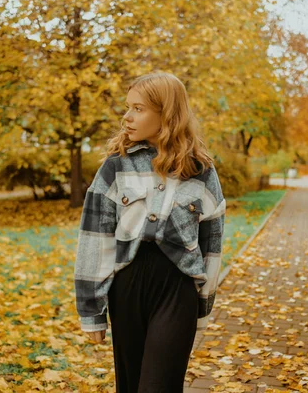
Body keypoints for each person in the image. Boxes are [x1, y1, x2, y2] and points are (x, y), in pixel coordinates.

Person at [74, 72, 226, 392]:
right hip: (126, 289)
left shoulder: (201, 172)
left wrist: (203, 309)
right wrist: (92, 311)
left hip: (176, 291)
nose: (127, 117)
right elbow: (94, 238)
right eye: (127, 108)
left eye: (138, 109)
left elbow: (211, 247)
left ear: (166, 115)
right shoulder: (116, 166)